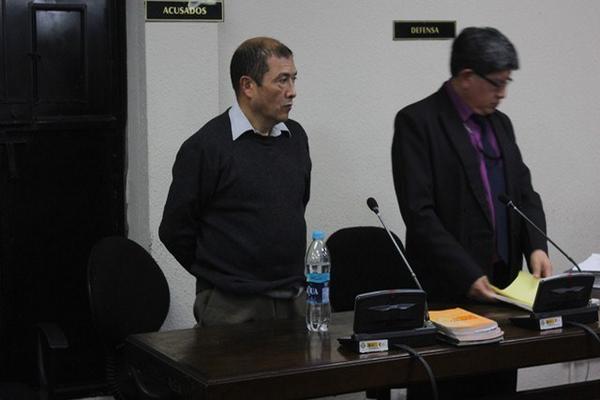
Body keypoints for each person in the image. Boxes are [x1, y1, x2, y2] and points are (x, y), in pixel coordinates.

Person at [393, 26, 553, 398]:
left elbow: (524, 192)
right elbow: (419, 214)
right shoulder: (418, 122)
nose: (503, 94)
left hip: (505, 293)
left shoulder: (500, 124)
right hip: (449, 294)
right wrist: (467, 274)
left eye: (507, 82)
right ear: (466, 77)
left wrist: (537, 247)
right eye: (496, 84)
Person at [159, 37, 311, 327]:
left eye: (293, 79)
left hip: (294, 300)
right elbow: (174, 229)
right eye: (281, 80)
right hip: (231, 306)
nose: (292, 92)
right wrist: (218, 275)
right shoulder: (207, 146)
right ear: (248, 86)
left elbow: (296, 205)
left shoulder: (296, 138)